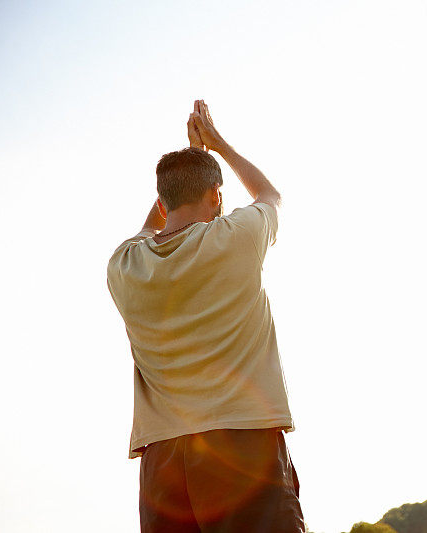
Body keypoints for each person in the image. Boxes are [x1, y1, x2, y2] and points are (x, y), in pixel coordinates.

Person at [106, 100, 304, 532]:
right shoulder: (237, 237)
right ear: (216, 196)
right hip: (240, 440)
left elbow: (152, 224)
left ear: (161, 200)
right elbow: (270, 195)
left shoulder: (124, 265)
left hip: (162, 459)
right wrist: (217, 146)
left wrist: (188, 166)